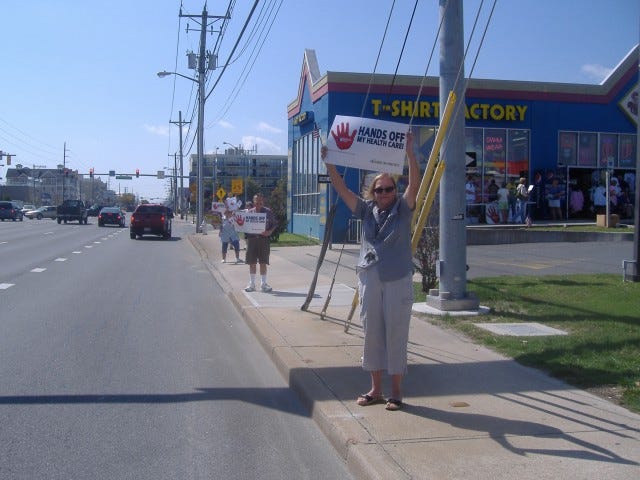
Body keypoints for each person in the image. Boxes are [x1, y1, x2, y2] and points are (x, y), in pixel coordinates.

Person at [320, 130, 419, 412]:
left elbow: (415, 183)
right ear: (372, 192)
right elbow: (342, 190)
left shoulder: (403, 208)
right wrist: (329, 163)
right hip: (370, 277)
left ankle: (396, 391)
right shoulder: (365, 210)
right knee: (372, 331)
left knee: (396, 332)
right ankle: (376, 389)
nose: (385, 193)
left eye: (389, 189)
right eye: (379, 189)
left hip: (397, 278)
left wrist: (409, 152)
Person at [244, 193, 276, 292]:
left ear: (263, 201)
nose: (258, 203)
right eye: (257, 201)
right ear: (254, 202)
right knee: (252, 262)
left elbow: (274, 224)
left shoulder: (268, 212)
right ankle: (252, 284)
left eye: (260, 201)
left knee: (263, 262)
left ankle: (263, 284)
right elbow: (242, 224)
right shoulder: (249, 212)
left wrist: (269, 231)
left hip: (263, 240)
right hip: (252, 240)